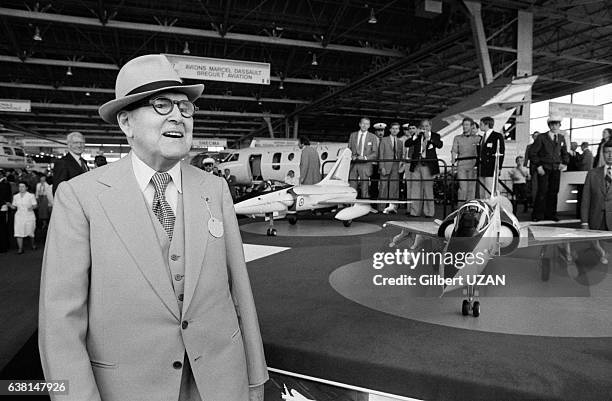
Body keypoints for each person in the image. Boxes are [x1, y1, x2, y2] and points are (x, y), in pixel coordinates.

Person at [39, 54, 267, 401]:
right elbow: (61, 323)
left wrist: (253, 381)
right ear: (126, 122)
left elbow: (240, 294)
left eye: (185, 107)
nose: (178, 115)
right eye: (161, 105)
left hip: (220, 385)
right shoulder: (80, 198)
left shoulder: (214, 189)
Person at [529, 115, 569, 222]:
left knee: (554, 191)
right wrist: (538, 166)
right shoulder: (541, 137)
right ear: (549, 125)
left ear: (559, 125)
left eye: (557, 124)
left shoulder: (561, 138)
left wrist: (564, 163)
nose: (555, 126)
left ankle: (550, 215)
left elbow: (565, 152)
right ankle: (537, 215)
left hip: (556, 168)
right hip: (544, 168)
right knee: (542, 191)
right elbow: (532, 153)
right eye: (552, 124)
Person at [580, 140, 612, 264]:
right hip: (595, 220)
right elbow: (585, 199)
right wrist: (584, 222)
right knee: (594, 260)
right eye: (607, 152)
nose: (610, 155)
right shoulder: (592, 174)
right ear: (603, 154)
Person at [404, 119, 442, 217]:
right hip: (416, 165)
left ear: (430, 126)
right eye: (423, 126)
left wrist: (429, 139)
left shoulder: (435, 135)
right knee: (415, 190)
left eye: (427, 126)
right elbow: (407, 144)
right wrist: (415, 136)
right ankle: (414, 212)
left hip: (428, 166)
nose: (425, 128)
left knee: (428, 190)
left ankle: (429, 212)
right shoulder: (417, 136)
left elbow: (440, 145)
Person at [451, 117, 480, 203]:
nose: (465, 126)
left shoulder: (478, 138)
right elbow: (454, 151)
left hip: (473, 165)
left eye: (467, 125)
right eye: (463, 125)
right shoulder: (457, 138)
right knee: (463, 188)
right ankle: (460, 209)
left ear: (471, 126)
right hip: (461, 165)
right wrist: (453, 164)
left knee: (471, 188)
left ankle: (470, 208)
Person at [348, 117, 379, 198]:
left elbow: (375, 153)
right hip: (354, 164)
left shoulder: (373, 137)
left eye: (367, 124)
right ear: (359, 124)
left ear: (369, 126)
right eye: (363, 123)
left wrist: (365, 157)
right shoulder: (353, 135)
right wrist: (352, 156)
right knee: (352, 186)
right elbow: (349, 149)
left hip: (365, 164)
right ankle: (351, 205)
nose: (364, 125)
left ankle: (365, 205)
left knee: (365, 187)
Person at [52, 131, 88, 196]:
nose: (79, 145)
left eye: (82, 143)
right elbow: (58, 189)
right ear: (69, 145)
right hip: (71, 203)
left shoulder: (84, 162)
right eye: (76, 143)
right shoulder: (62, 162)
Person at [378, 122, 402, 213]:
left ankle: (392, 208)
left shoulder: (400, 142)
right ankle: (381, 208)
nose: (395, 130)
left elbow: (400, 155)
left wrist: (400, 166)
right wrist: (382, 167)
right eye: (393, 128)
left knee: (394, 187)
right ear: (390, 130)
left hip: (396, 166)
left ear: (399, 130)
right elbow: (381, 154)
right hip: (385, 166)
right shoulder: (384, 140)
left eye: (397, 128)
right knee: (383, 186)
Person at [477, 116, 505, 197]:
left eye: (481, 124)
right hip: (482, 167)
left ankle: (490, 208)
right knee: (481, 192)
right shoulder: (482, 138)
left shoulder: (497, 136)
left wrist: (499, 167)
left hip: (491, 167)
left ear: (487, 124)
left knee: (489, 191)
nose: (479, 126)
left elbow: (501, 152)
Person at [10, 181, 37, 254]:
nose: (21, 188)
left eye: (23, 186)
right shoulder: (16, 196)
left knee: (30, 231)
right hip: (19, 215)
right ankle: (20, 248)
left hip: (29, 215)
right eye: (19, 186)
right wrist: (9, 205)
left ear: (26, 188)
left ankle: (33, 244)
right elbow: (14, 207)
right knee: (19, 232)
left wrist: (32, 207)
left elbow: (35, 205)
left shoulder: (31, 195)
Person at [525, 131, 540, 208]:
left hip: (543, 168)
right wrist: (525, 169)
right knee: (534, 186)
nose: (536, 137)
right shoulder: (529, 146)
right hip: (533, 168)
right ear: (533, 137)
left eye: (538, 136)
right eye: (535, 136)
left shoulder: (543, 146)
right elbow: (526, 158)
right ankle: (534, 203)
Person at [0, 169, 12, 252]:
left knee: (2, 228)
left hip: (2, 207)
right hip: (2, 206)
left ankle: (3, 246)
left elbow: (4, 196)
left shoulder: (5, 184)